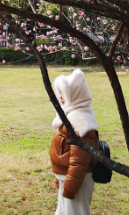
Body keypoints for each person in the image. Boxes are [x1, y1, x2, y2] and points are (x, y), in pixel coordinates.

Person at [50, 69, 99, 215]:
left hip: (77, 182)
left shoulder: (80, 121)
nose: (61, 98)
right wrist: (60, 177)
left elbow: (79, 162)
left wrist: (70, 187)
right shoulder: (70, 117)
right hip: (68, 179)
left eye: (64, 94)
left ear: (74, 95)